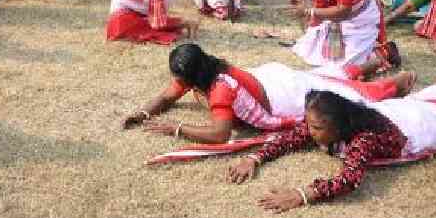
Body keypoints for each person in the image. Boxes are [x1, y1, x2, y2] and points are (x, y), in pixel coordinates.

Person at [227, 67, 436, 212]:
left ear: (338, 125)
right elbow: (291, 138)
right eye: (310, 123)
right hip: (391, 111)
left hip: (416, 129)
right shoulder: (329, 123)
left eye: (315, 127)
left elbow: (350, 180)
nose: (309, 130)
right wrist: (255, 157)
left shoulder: (363, 140)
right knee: (423, 101)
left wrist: (303, 195)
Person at [122, 43, 416, 144]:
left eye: (179, 78)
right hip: (269, 78)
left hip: (283, 97)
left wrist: (176, 128)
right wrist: (142, 113)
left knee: (347, 96)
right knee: (327, 78)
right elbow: (166, 96)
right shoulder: (202, 70)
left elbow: (219, 134)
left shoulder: (220, 90)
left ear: (194, 75)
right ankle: (377, 61)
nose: (176, 83)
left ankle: (398, 82)